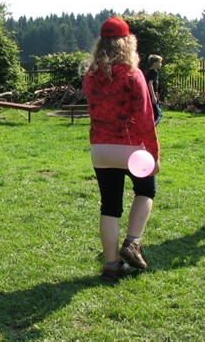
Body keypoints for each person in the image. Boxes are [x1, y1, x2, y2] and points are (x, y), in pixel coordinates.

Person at [82, 17, 160, 281]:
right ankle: (133, 242)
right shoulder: (132, 74)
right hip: (131, 148)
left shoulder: (90, 76)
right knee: (146, 190)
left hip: (100, 148)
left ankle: (111, 266)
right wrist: (154, 155)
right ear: (128, 43)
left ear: (101, 44)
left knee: (110, 206)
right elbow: (146, 119)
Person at [146, 54, 163, 126]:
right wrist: (153, 96)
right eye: (159, 62)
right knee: (159, 114)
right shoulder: (153, 72)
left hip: (150, 94)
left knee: (153, 113)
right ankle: (151, 128)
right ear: (154, 63)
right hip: (152, 95)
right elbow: (150, 83)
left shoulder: (150, 71)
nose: (161, 64)